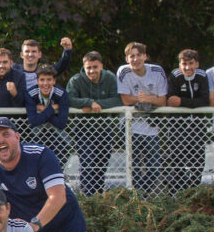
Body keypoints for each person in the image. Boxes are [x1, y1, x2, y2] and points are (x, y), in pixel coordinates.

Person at [65, 51, 121, 196]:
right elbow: (69, 99)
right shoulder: (76, 80)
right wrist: (88, 102)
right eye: (88, 67)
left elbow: (117, 99)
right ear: (84, 66)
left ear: (101, 66)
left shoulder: (110, 78)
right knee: (87, 164)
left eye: (95, 67)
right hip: (83, 130)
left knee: (101, 165)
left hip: (104, 129)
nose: (91, 71)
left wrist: (97, 105)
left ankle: (98, 196)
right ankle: (87, 197)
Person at [117, 41, 167, 196]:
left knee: (154, 166)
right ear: (127, 58)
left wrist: (149, 99)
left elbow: (163, 101)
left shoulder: (157, 71)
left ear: (145, 56)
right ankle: (137, 197)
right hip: (131, 125)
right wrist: (145, 98)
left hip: (151, 126)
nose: (135, 59)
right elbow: (125, 100)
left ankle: (143, 193)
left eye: (139, 55)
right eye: (132, 56)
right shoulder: (123, 72)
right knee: (134, 166)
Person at [166, 49, 209, 191]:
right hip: (177, 127)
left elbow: (204, 100)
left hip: (197, 127)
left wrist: (182, 102)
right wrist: (191, 103)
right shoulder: (175, 76)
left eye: (191, 63)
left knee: (197, 164)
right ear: (180, 65)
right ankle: (177, 197)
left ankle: (193, 194)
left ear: (197, 64)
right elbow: (171, 100)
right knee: (176, 164)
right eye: (184, 64)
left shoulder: (202, 76)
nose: (187, 67)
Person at [24, 64, 71, 165]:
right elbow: (34, 121)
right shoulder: (31, 93)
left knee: (59, 162)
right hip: (37, 134)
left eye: (49, 80)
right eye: (42, 80)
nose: (45, 83)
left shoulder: (62, 94)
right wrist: (51, 109)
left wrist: (45, 110)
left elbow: (61, 123)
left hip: (57, 135)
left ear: (54, 81)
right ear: (37, 81)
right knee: (35, 163)